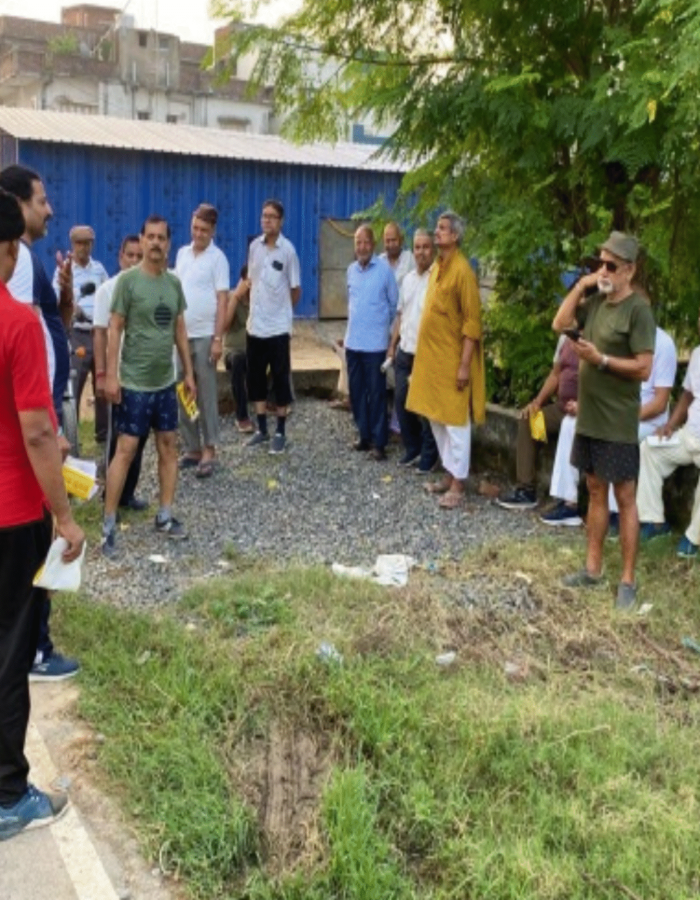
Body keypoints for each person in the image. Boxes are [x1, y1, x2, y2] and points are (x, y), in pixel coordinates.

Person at [0, 187, 85, 841]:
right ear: (8, 249)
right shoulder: (18, 321)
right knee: (10, 654)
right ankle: (7, 796)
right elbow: (37, 433)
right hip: (13, 513)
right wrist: (65, 516)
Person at [0, 163, 79, 682]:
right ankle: (37, 650)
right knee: (16, 624)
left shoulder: (31, 262)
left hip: (40, 416)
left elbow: (58, 325)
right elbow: (24, 340)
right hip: (22, 458)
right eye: (41, 200)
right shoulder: (16, 266)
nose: (49, 209)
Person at [552, 231, 655, 610]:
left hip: (616, 420)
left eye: (611, 265)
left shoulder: (638, 311)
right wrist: (581, 284)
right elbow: (559, 323)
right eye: (600, 263)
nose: (603, 271)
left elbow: (644, 368)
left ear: (629, 270)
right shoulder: (595, 301)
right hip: (589, 417)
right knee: (594, 489)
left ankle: (627, 581)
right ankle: (592, 570)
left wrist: (602, 361)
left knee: (624, 497)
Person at [101, 216, 196, 557]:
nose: (155, 243)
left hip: (165, 384)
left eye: (161, 238)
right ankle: (108, 523)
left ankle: (165, 515)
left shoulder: (173, 284)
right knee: (125, 451)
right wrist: (111, 376)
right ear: (141, 241)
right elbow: (114, 329)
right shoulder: (127, 283)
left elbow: (179, 329)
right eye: (150, 237)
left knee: (168, 448)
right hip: (135, 384)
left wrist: (188, 373)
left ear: (169, 244)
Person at [406, 211, 486, 509]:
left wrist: (465, 364)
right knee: (435, 417)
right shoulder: (439, 267)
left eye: (441, 229)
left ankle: (459, 484)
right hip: (432, 361)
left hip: (454, 362)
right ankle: (448, 473)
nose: (436, 233)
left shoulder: (463, 271)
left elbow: (472, 324)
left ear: (454, 236)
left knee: (455, 422)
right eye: (437, 228)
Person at [496, 334, 580, 523]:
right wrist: (537, 401)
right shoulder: (565, 339)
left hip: (585, 411)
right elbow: (556, 374)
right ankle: (527, 490)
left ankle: (569, 502)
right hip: (560, 409)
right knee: (528, 421)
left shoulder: (596, 336)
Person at [93, 233, 149, 510]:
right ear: (121, 257)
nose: (135, 260)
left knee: (139, 439)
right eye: (131, 255)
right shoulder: (108, 290)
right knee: (118, 440)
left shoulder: (150, 288)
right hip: (119, 377)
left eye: (140, 256)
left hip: (145, 378)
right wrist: (103, 374)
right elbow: (100, 334)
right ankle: (110, 498)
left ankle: (127, 495)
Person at [637, 313, 700, 558]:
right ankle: (655, 522)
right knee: (650, 448)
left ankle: (693, 538)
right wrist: (670, 425)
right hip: (688, 437)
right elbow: (686, 396)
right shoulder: (696, 354)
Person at [175, 204, 230, 477]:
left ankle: (210, 448)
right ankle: (192, 447)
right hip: (181, 336)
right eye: (195, 228)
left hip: (206, 336)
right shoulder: (182, 254)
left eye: (204, 230)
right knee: (183, 392)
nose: (198, 234)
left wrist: (218, 338)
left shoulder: (218, 259)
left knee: (206, 394)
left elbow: (223, 301)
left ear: (213, 231)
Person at [245, 199, 301, 455]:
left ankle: (280, 430)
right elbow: (251, 282)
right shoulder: (254, 247)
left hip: (278, 328)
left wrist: (282, 313)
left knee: (280, 380)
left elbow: (295, 290)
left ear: (281, 221)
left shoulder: (288, 251)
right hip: (255, 326)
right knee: (255, 378)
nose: (267, 220)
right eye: (264, 215)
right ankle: (261, 429)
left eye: (272, 216)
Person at [345, 224, 399, 461]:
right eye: (358, 243)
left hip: (375, 345)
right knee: (356, 393)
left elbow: (394, 306)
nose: (362, 247)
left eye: (366, 242)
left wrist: (388, 337)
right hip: (353, 343)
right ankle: (364, 435)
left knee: (376, 394)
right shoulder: (351, 271)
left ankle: (379, 443)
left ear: (373, 244)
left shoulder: (384, 270)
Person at [386, 228, 438, 471]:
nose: (421, 252)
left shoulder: (437, 279)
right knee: (401, 402)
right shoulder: (407, 279)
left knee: (426, 409)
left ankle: (429, 456)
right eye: (417, 247)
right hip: (404, 351)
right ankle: (413, 448)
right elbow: (400, 315)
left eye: (426, 247)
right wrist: (392, 347)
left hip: (426, 354)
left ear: (433, 249)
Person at [54, 225, 109, 443]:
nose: (83, 248)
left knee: (102, 382)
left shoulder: (99, 270)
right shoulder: (65, 271)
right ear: (72, 245)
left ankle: (103, 435)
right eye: (79, 243)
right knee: (74, 383)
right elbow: (56, 298)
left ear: (92, 245)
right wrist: (71, 305)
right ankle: (72, 434)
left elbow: (108, 294)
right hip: (77, 332)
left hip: (98, 331)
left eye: (87, 243)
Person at [223, 265, 254, 433]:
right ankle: (242, 416)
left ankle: (276, 401)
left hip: (255, 351)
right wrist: (236, 297)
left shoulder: (260, 300)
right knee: (238, 360)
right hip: (234, 352)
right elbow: (225, 326)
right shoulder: (231, 298)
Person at [380, 221, 415, 288]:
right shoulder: (379, 262)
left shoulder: (410, 259)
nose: (391, 244)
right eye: (387, 241)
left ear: (401, 239)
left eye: (393, 240)